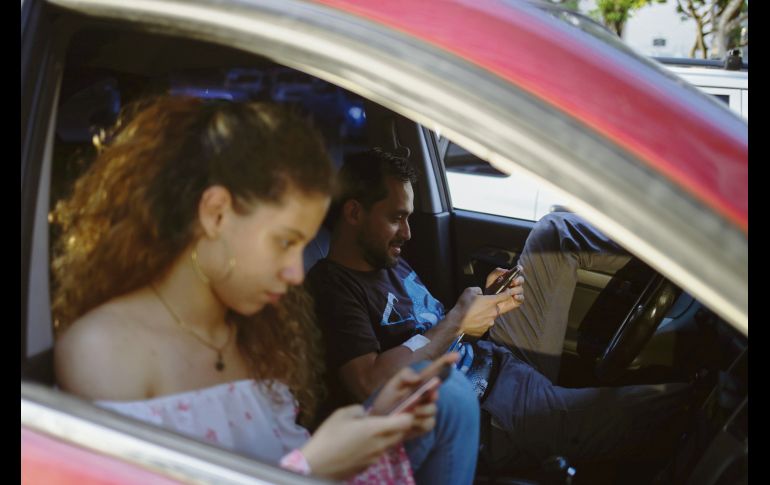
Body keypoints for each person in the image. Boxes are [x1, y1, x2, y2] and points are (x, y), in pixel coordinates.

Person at [52, 97, 479, 484]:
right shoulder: (104, 350)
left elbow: (280, 449)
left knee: (451, 399)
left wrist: (375, 415)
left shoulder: (253, 329)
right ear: (216, 215)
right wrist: (312, 467)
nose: (297, 273)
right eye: (284, 242)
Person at [306, 148, 692, 470]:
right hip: (488, 407)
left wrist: (481, 304)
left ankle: (689, 264)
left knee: (556, 233)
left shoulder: (389, 260)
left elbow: (424, 329)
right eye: (396, 218)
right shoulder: (333, 287)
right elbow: (369, 384)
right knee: (675, 402)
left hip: (494, 358)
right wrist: (459, 321)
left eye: (408, 217)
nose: (408, 233)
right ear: (354, 213)